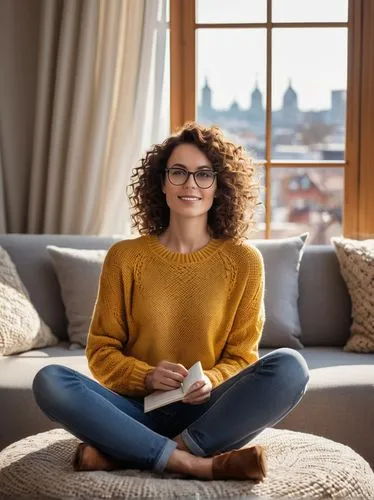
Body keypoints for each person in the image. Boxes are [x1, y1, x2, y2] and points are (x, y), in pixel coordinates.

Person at [33, 122, 309, 481]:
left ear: (218, 187)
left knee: (290, 368)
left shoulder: (244, 261)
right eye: (178, 172)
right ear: (161, 183)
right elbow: (101, 352)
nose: (190, 184)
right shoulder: (125, 257)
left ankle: (131, 453)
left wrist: (209, 380)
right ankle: (194, 462)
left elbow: (242, 357)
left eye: (203, 175)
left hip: (209, 412)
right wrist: (147, 376)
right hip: (136, 408)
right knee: (50, 380)